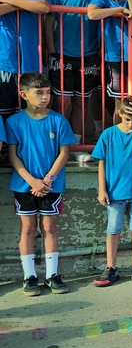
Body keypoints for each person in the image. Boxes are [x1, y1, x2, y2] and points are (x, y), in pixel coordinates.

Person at [10, 73, 73, 296]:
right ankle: (29, 277)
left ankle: (52, 275)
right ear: (24, 94)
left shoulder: (59, 120)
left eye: (48, 92)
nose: (45, 97)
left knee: (49, 227)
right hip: (24, 185)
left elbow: (64, 153)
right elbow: (13, 155)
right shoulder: (14, 122)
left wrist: (47, 180)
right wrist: (32, 181)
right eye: (39, 93)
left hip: (51, 186)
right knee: (27, 228)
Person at [91, 96, 132, 286]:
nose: (131, 124)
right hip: (114, 192)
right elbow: (101, 163)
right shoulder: (108, 134)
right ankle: (111, 267)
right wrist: (102, 189)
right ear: (119, 113)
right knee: (113, 230)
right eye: (128, 119)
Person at [43, 0, 101, 157]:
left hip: (89, 57)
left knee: (81, 103)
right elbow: (48, 24)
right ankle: (56, 143)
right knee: (61, 102)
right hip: (62, 56)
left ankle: (75, 145)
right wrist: (52, 52)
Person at [0, 0, 50, 120]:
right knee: (4, 112)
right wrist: (21, 3)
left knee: (31, 113)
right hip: (4, 65)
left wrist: (8, 0)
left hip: (30, 66)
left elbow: (43, 6)